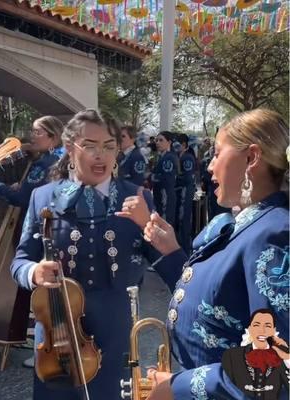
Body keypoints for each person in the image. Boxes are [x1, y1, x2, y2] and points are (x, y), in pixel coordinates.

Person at [118, 109, 289, 399]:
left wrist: (177, 387)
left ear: (251, 158)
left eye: (218, 154)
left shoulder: (274, 235)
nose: (209, 166)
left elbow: (277, 369)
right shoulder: (248, 224)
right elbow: (219, 303)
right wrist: (172, 253)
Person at [10, 109, 159, 400]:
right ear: (69, 148)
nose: (100, 155)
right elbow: (20, 260)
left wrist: (146, 225)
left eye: (109, 146)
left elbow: (164, 257)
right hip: (57, 337)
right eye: (89, 146)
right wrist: (33, 272)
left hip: (114, 332)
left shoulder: (138, 198)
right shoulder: (43, 197)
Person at [0, 116, 64, 210]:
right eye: (32, 131)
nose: (32, 136)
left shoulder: (45, 164)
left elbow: (21, 199)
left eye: (37, 132)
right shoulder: (60, 157)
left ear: (54, 138)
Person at [222, 308, 289, 399]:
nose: (262, 331)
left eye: (267, 326)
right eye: (257, 325)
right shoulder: (232, 356)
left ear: (273, 330)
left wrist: (287, 358)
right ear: (250, 329)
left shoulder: (283, 357)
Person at [151, 131, 179, 227]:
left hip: (165, 195)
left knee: (164, 224)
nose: (157, 142)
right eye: (156, 140)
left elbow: (167, 179)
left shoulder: (169, 158)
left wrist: (151, 177)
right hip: (159, 194)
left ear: (169, 142)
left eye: (161, 140)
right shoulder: (161, 156)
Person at [175, 134, 197, 255]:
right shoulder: (180, 156)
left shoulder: (187, 158)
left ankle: (185, 251)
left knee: (184, 221)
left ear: (183, 144)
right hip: (180, 192)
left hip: (185, 192)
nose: (174, 145)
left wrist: (174, 179)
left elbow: (187, 178)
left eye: (176, 143)